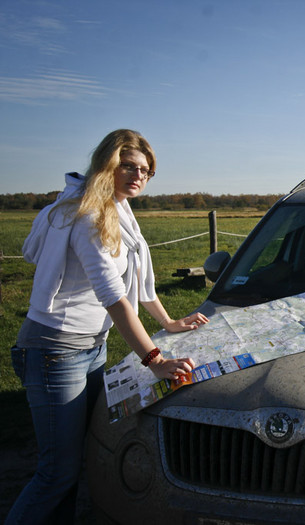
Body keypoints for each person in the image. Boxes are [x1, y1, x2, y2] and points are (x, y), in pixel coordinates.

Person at [7, 129, 209, 525]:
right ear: (107, 165)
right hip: (54, 351)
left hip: (91, 349)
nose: (138, 176)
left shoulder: (119, 210)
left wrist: (167, 321)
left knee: (70, 467)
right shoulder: (86, 215)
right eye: (129, 166)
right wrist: (155, 359)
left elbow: (134, 278)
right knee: (55, 473)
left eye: (146, 171)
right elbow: (114, 296)